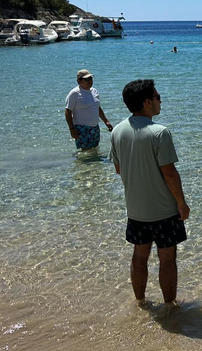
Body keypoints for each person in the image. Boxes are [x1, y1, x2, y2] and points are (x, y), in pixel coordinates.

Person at [109, 79, 190, 305]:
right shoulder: (159, 133)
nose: (160, 100)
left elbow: (118, 169)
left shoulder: (117, 131)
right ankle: (170, 306)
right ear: (147, 102)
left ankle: (140, 302)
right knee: (167, 259)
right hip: (164, 211)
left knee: (139, 256)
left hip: (135, 210)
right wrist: (181, 203)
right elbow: (170, 173)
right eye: (157, 97)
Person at [65, 69, 112, 150]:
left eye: (91, 79)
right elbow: (68, 111)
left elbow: (97, 107)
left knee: (94, 151)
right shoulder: (74, 93)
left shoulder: (94, 91)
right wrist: (72, 129)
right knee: (85, 154)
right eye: (87, 79)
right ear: (79, 81)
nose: (90, 81)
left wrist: (106, 121)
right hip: (82, 129)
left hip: (95, 128)